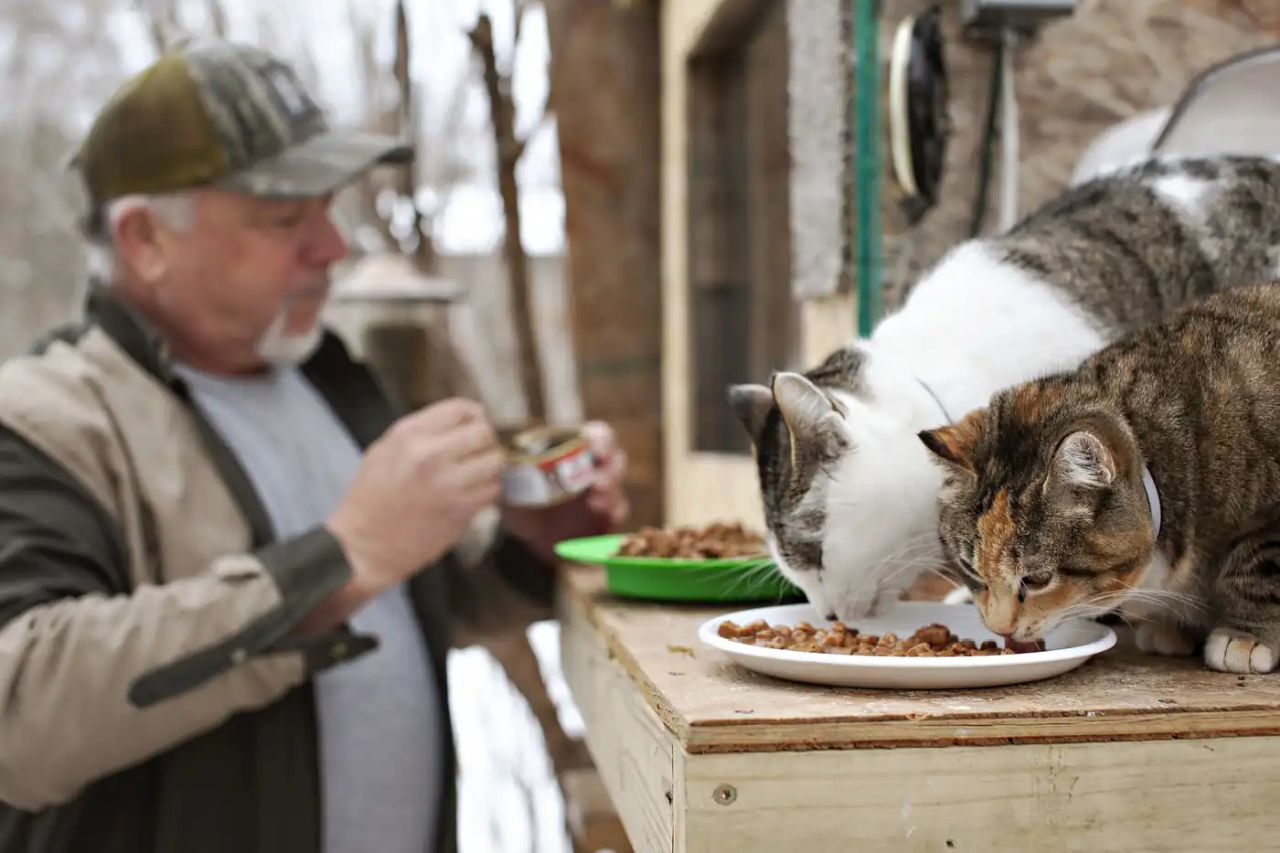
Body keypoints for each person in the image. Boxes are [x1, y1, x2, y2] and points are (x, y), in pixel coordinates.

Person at [0, 38, 628, 853]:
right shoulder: (46, 421)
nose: (332, 245)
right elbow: (20, 712)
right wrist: (345, 555)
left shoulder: (328, 380)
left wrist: (527, 551)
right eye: (285, 216)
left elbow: (406, 602)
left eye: (328, 207)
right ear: (145, 239)